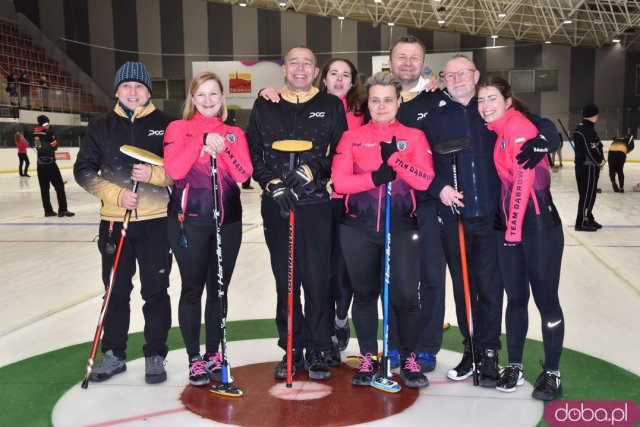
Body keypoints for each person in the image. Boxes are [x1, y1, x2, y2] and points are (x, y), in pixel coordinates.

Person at [420, 54, 559, 386]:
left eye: (463, 72)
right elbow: (417, 157)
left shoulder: (493, 111)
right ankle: (471, 350)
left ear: (476, 75)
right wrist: (438, 187)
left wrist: (546, 141)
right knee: (464, 290)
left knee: (491, 289)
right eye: (449, 74)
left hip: (493, 219)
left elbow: (543, 126)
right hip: (454, 218)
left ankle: (489, 352)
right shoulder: (432, 114)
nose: (456, 78)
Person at [246, 46, 348, 381]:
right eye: (294, 63)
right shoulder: (266, 103)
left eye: (307, 63)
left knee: (318, 280)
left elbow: (341, 151)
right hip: (278, 205)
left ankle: (318, 347)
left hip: (316, 204)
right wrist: (271, 182)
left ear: (316, 70)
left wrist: (314, 169)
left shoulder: (331, 105)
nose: (300, 69)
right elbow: (252, 150)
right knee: (285, 280)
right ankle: (292, 347)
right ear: (284, 69)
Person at [331, 71, 434, 389]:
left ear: (399, 101)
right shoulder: (352, 137)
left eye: (388, 99)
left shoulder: (414, 137)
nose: (381, 105)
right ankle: (366, 357)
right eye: (375, 99)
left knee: (406, 296)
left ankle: (409, 357)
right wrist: (376, 177)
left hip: (402, 228)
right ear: (368, 103)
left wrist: (399, 163)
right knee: (364, 296)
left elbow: (425, 180)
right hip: (358, 228)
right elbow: (340, 182)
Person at [74, 61, 173, 385]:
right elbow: (84, 170)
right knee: (115, 290)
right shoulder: (100, 126)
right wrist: (117, 195)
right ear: (117, 90)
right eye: (127, 86)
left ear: (148, 91)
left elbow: (179, 170)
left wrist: (154, 175)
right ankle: (114, 353)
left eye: (140, 86)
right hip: (116, 223)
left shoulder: (166, 125)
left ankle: (155, 353)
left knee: (156, 290)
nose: (133, 92)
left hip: (157, 221)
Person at [477, 76, 565, 401]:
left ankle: (552, 371)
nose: (485, 106)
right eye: (481, 100)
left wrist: (512, 232)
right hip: (510, 227)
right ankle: (514, 365)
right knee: (514, 298)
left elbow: (522, 186)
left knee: (545, 300)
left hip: (537, 227)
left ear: (508, 100)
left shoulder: (516, 128)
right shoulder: (498, 131)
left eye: (492, 99)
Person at [163, 71, 253, 386]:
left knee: (218, 290)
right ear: (192, 98)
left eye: (214, 94)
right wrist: (200, 144)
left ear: (222, 99)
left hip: (227, 223)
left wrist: (222, 148)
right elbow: (173, 169)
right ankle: (194, 358)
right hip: (189, 222)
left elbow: (244, 174)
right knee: (192, 290)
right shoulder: (178, 128)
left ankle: (214, 353)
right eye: (201, 94)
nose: (207, 100)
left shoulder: (233, 133)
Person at [33, 115, 74, 217]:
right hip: (50, 163)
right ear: (44, 123)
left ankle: (48, 210)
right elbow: (55, 146)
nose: (48, 125)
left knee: (44, 188)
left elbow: (38, 147)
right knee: (59, 186)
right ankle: (63, 209)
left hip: (40, 164)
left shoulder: (35, 133)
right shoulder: (49, 133)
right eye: (47, 123)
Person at [573, 104, 605, 231]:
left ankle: (588, 218)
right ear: (595, 115)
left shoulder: (584, 128)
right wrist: (600, 161)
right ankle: (582, 222)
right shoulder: (586, 129)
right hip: (588, 167)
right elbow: (590, 149)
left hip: (585, 167)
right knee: (588, 195)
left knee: (587, 194)